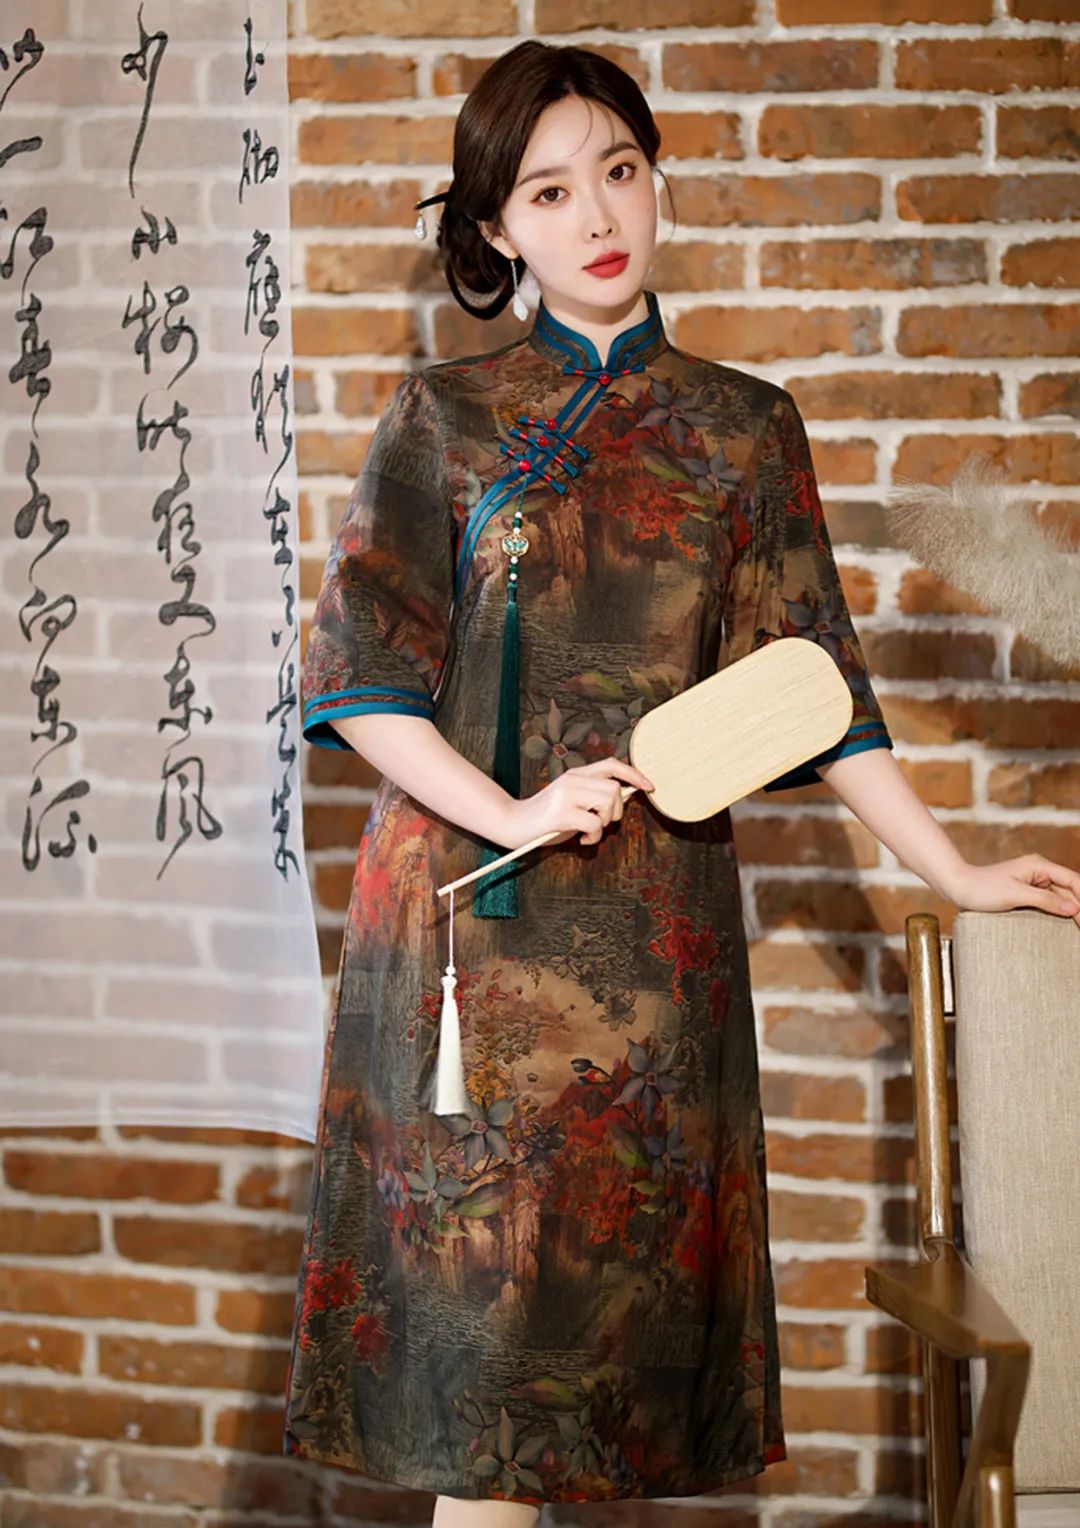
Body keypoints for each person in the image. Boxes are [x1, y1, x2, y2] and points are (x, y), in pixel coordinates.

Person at [281, 38, 1080, 1527]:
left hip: (656, 956)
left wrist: (955, 870)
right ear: (497, 226)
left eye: (622, 171)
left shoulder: (745, 428)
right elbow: (359, 682)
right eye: (550, 191)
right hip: (469, 947)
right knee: (484, 1429)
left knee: (617, 1389)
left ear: (658, 183)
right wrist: (517, 810)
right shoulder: (441, 419)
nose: (599, 214)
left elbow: (819, 693)